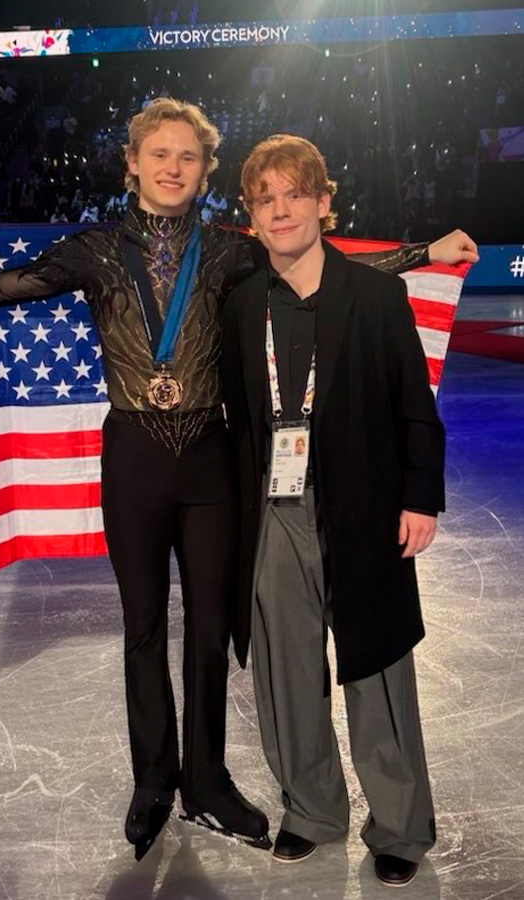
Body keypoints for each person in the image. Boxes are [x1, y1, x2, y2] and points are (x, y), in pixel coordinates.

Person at [0, 97, 477, 863]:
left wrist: (422, 253)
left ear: (206, 172)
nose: (173, 167)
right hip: (136, 457)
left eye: (188, 157)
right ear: (133, 165)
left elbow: (327, 265)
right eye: (159, 155)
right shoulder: (93, 249)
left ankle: (209, 781)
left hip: (213, 461)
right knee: (149, 629)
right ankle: (157, 782)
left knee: (214, 630)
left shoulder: (228, 252)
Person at [221, 135, 461, 887]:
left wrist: (420, 497)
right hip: (273, 513)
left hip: (361, 507)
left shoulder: (375, 295)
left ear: (326, 203)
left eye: (295, 194)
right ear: (251, 216)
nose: (281, 209)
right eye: (266, 199)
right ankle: (312, 811)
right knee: (286, 672)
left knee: (377, 667)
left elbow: (414, 409)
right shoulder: (240, 306)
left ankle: (399, 824)